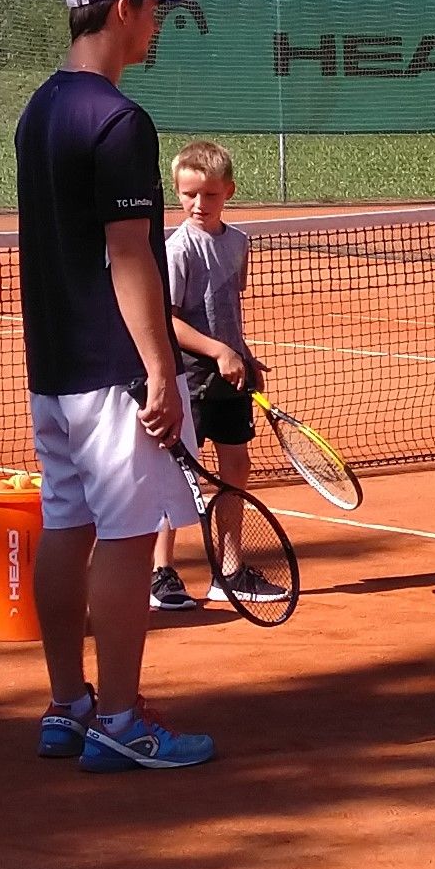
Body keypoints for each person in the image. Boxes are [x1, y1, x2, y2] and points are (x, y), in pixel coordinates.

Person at [20, 0, 214, 772]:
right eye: (154, 8)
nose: (158, 23)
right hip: (112, 371)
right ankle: (123, 721)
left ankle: (68, 706)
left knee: (67, 526)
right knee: (129, 539)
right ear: (125, 9)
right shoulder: (119, 120)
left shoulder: (39, 110)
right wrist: (162, 370)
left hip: (54, 367)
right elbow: (130, 253)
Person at [150, 140, 272, 611]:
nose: (199, 204)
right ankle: (161, 573)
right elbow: (168, 321)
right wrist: (220, 351)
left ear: (229, 192)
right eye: (189, 194)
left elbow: (227, 312)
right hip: (187, 377)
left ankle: (230, 571)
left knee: (235, 466)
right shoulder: (177, 250)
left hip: (229, 376)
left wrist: (244, 355)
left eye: (210, 195)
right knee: (176, 476)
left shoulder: (238, 243)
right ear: (177, 193)